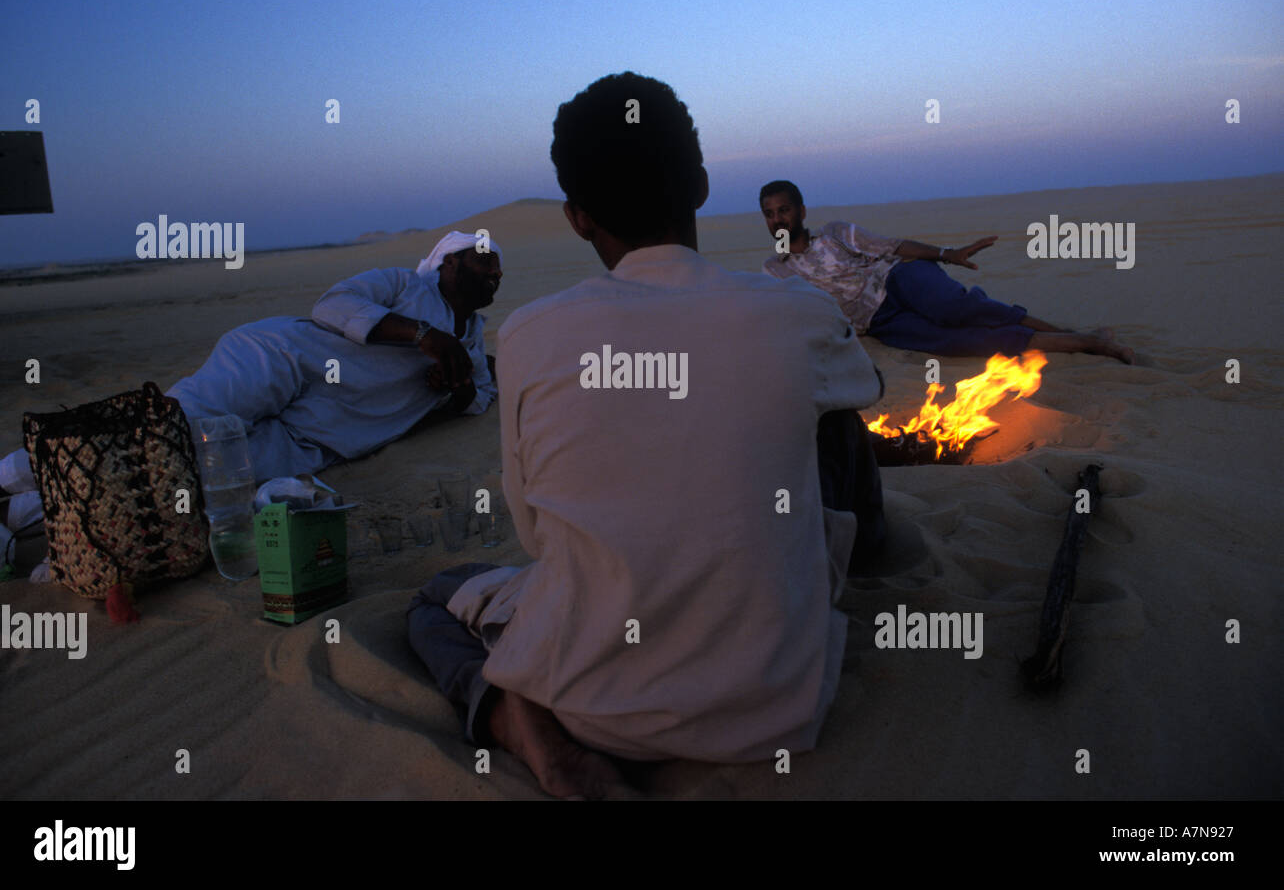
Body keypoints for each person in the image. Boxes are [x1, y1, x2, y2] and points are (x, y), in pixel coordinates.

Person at [407, 73, 887, 799]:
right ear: (698, 184)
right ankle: (868, 566)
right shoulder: (795, 311)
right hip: (781, 707)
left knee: (433, 599)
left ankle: (523, 726)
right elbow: (865, 395)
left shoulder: (531, 334)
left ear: (575, 216)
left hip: (592, 707)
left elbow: (537, 537)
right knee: (833, 418)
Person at [0, 231, 502, 573]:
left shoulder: (474, 341)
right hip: (284, 360)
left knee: (193, 482)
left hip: (315, 436)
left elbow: (477, 399)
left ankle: (17, 518)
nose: (496, 273)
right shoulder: (402, 283)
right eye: (486, 260)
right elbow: (333, 305)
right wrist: (424, 336)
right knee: (162, 431)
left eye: (499, 269)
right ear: (450, 262)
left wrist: (453, 386)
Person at [758, 180, 1135, 363]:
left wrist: (947, 254)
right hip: (878, 322)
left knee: (958, 310)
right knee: (960, 342)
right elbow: (789, 315)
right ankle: (1086, 343)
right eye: (770, 214)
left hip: (899, 278)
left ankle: (1077, 334)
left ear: (801, 211)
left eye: (784, 210)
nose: (778, 219)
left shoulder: (836, 233)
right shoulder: (775, 270)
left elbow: (892, 246)